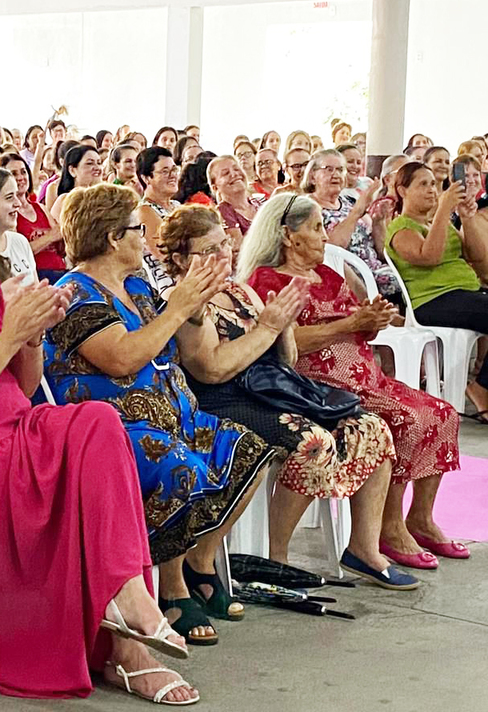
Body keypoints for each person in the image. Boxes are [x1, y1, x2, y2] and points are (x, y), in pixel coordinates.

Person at [0, 172, 198, 704]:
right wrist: (7, 335)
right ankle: (128, 643)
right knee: (93, 436)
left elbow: (21, 384)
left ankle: (126, 600)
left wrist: (34, 335)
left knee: (98, 422)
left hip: (12, 432)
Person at [45, 183, 275, 644]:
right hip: (114, 429)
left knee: (250, 451)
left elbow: (183, 350)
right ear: (113, 238)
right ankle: (169, 591)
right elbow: (123, 358)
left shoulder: (135, 286)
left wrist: (196, 306)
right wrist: (179, 307)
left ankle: (197, 563)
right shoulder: (75, 293)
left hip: (173, 414)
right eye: (137, 230)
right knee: (182, 470)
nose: (145, 240)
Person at [158, 205, 400, 574]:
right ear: (179, 258)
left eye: (225, 244)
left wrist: (283, 326)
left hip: (267, 389)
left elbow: (285, 360)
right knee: (313, 442)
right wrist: (267, 328)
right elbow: (212, 369)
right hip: (222, 399)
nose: (223, 255)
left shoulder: (238, 292)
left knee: (370, 426)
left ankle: (363, 549)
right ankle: (278, 558)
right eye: (209, 250)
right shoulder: (187, 301)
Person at [241, 193, 464, 576]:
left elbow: (358, 330)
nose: (325, 236)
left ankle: (419, 519)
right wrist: (350, 325)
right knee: (408, 419)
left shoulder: (329, 275)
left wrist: (372, 320)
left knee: (441, 413)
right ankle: (387, 529)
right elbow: (286, 341)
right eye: (316, 227)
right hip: (319, 388)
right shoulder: (267, 281)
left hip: (367, 379)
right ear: (288, 236)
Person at [388, 161, 488, 425]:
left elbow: (480, 260)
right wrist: (445, 208)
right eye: (423, 184)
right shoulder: (401, 228)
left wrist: (467, 218)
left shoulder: (439, 223)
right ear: (402, 190)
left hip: (464, 295)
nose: (432, 190)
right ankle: (481, 388)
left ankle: (482, 386)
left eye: (434, 184)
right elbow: (428, 256)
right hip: (432, 301)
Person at [303, 149, 398, 301]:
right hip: (349, 275)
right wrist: (356, 213)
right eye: (328, 169)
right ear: (313, 176)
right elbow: (330, 249)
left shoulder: (350, 202)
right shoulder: (308, 208)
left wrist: (378, 221)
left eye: (340, 169)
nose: (335, 174)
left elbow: (381, 250)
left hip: (376, 268)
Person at [1, 153, 66, 282]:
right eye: (13, 174)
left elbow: (60, 239)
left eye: (23, 172)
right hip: (36, 277)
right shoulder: (9, 212)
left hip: (61, 271)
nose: (20, 177)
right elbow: (18, 252)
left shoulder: (40, 208)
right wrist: (50, 237)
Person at [207, 155, 259, 253]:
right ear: (215, 188)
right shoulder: (222, 212)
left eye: (236, 169)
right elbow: (240, 248)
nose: (234, 174)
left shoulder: (258, 202)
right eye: (226, 173)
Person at [49, 144, 102, 221]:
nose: (97, 168)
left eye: (99, 163)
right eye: (89, 163)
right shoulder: (64, 201)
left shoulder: (107, 199)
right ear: (72, 170)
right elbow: (53, 231)